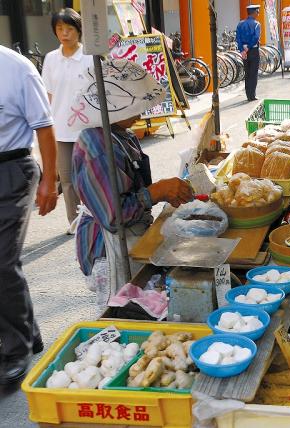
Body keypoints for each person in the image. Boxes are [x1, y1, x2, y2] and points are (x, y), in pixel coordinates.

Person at [72, 60, 194, 298]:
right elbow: (113, 216)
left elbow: (134, 188)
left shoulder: (123, 134)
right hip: (108, 248)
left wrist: (162, 191)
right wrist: (157, 192)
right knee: (121, 310)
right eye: (133, 108)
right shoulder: (97, 146)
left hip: (133, 234)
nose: (139, 115)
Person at [0, 45, 58, 384]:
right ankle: (29, 333)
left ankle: (15, 350)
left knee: (2, 262)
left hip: (12, 169)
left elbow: (44, 127)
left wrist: (50, 181)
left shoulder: (16, 67)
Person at [42, 8, 93, 234]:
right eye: (59, 29)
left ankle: (96, 214)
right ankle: (75, 222)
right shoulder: (51, 59)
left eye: (69, 28)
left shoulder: (91, 57)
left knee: (91, 175)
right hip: (61, 130)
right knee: (67, 180)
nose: (64, 33)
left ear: (79, 31)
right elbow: (48, 94)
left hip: (88, 129)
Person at [236, 4, 261, 102]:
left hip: (244, 52)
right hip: (253, 50)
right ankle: (252, 95)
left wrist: (242, 49)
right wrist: (248, 48)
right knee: (253, 73)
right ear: (254, 12)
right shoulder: (256, 24)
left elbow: (238, 38)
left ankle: (248, 95)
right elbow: (256, 38)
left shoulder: (240, 24)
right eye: (257, 11)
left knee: (247, 73)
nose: (258, 13)